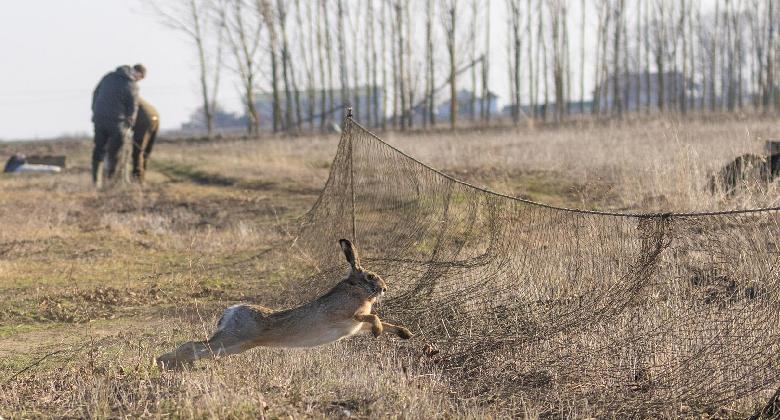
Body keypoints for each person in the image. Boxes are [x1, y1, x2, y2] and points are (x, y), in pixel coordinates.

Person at [91, 64, 146, 186]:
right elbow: (133, 106)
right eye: (140, 78)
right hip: (117, 121)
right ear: (137, 73)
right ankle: (113, 181)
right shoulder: (132, 85)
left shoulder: (108, 77)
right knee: (116, 151)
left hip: (99, 119)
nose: (138, 81)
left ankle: (97, 182)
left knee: (99, 149)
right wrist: (130, 123)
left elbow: (95, 93)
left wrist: (95, 110)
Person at [131, 98, 160, 182]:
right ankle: (141, 175)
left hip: (144, 119)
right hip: (154, 115)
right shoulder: (130, 93)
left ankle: (138, 178)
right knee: (145, 151)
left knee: (138, 151)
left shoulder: (119, 97)